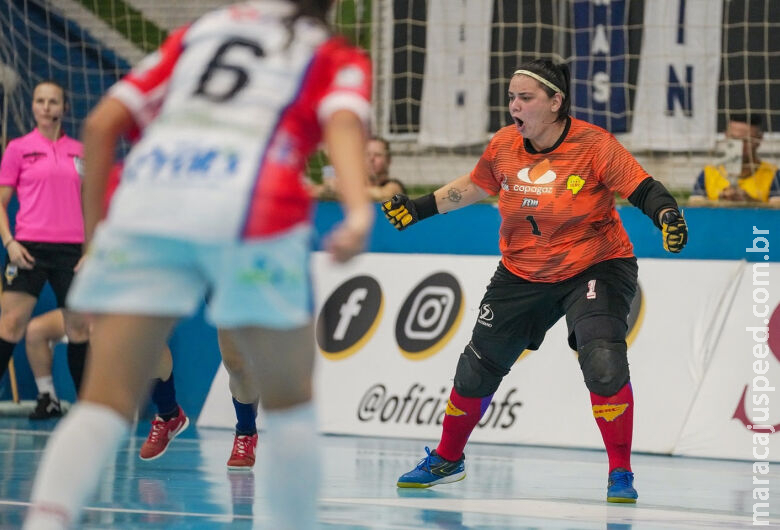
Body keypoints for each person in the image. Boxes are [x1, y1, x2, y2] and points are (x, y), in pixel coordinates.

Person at [24, 1, 373, 529]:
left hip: (149, 205)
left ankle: (45, 520)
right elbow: (344, 120)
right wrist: (358, 207)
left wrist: (95, 242)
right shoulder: (333, 53)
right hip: (254, 212)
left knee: (102, 402)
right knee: (293, 403)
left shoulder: (202, 30)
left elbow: (100, 126)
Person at [383, 60, 688, 503]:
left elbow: (642, 186)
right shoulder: (505, 144)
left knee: (602, 355)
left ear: (555, 102)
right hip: (522, 271)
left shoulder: (593, 144)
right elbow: (475, 185)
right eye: (511, 97)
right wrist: (419, 207)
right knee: (476, 367)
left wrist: (667, 215)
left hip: (595, 264)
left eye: (525, 98)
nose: (514, 106)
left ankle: (620, 473)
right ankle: (448, 459)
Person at [0, 80, 90, 400]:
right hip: (27, 249)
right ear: (33, 106)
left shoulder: (81, 152)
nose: (46, 107)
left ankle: (87, 412)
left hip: (73, 253)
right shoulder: (17, 149)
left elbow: (94, 207)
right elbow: (1, 201)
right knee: (10, 325)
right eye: (40, 101)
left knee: (79, 330)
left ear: (65, 107)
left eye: (53, 101)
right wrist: (10, 242)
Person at [689, 114, 780, 205]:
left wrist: (750, 202)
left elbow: (775, 214)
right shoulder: (709, 172)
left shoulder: (773, 174)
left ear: (759, 139)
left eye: (746, 140)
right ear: (726, 136)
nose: (739, 146)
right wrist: (719, 203)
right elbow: (694, 208)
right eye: (734, 139)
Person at [311, 136, 405, 201]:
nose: (371, 159)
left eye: (378, 155)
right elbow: (319, 190)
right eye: (367, 154)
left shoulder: (393, 186)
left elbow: (384, 194)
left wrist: (340, 189)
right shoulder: (351, 184)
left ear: (388, 160)